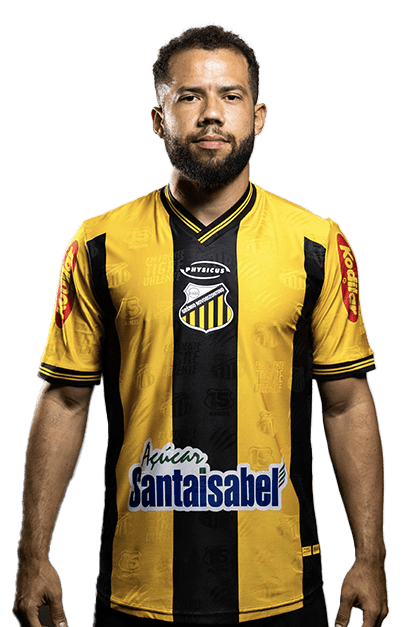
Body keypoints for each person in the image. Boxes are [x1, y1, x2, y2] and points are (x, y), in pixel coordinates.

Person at [13, 23, 388, 627]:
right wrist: (32, 554)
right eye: (189, 96)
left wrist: (371, 555)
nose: (212, 113)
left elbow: (345, 402)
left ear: (258, 116)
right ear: (158, 119)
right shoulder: (99, 243)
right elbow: (64, 399)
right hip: (139, 588)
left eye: (230, 96)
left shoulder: (316, 243)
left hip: (279, 587)